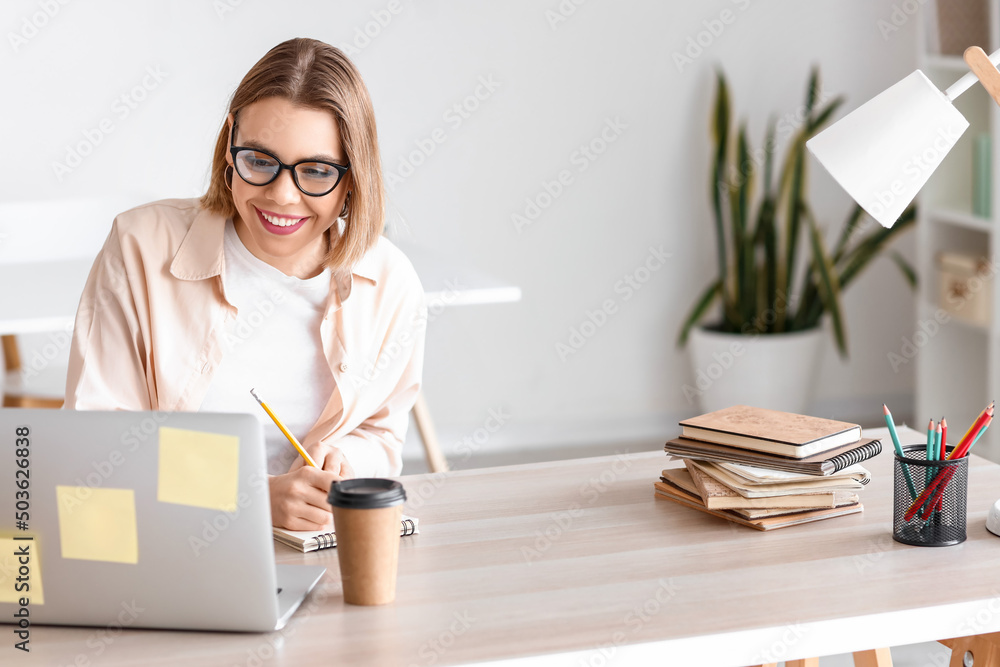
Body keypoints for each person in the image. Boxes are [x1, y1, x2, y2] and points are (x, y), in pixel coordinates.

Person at [65, 38, 427, 531]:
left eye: (316, 171)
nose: (281, 195)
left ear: (351, 179)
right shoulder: (140, 245)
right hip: (165, 539)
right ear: (230, 145)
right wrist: (248, 495)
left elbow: (382, 436)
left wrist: (348, 460)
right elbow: (93, 445)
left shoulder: (390, 282)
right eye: (259, 160)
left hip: (315, 544)